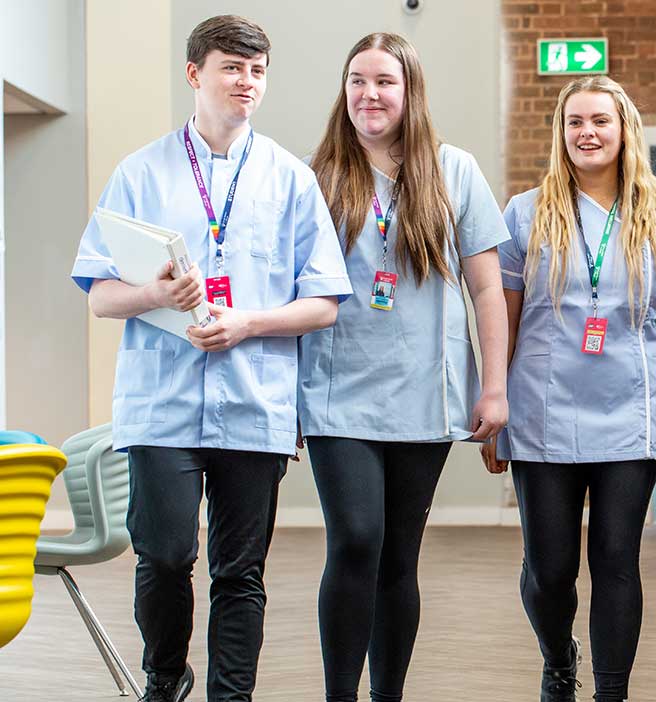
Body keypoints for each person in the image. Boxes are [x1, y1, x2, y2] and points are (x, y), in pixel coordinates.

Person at [70, 15, 352, 702]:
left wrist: (247, 322)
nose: (246, 82)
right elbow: (100, 296)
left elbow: (324, 303)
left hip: (255, 403)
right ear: (195, 74)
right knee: (165, 555)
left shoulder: (290, 179)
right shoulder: (140, 173)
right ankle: (166, 675)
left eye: (257, 71)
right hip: (161, 405)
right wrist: (154, 294)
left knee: (239, 571)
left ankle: (232, 695)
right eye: (232, 67)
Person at [298, 32, 509, 702]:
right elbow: (288, 291)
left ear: (410, 90)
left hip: (426, 387)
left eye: (384, 81)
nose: (369, 94)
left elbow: (486, 288)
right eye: (357, 81)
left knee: (398, 555)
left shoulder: (455, 171)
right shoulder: (316, 175)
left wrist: (495, 388)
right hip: (336, 390)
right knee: (356, 540)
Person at [480, 76, 656, 702]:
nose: (587, 132)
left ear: (624, 129)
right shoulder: (525, 213)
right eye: (575, 121)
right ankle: (559, 658)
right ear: (560, 133)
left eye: (600, 120)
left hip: (634, 409)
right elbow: (504, 316)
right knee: (549, 570)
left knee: (616, 561)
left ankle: (611, 692)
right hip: (542, 409)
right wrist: (493, 403)